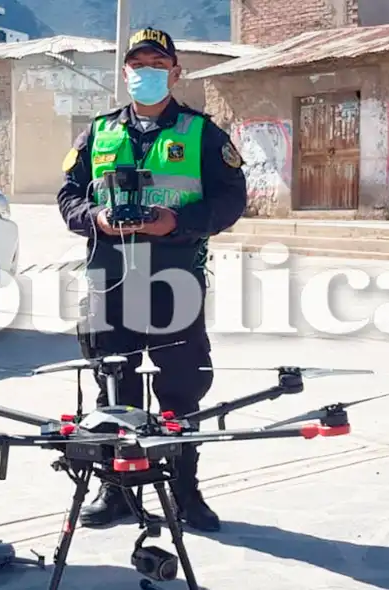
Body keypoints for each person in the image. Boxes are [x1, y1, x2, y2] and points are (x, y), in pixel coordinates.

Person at [56, 28, 247, 532]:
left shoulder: (202, 133)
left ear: (175, 72)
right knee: (113, 389)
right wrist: (94, 219)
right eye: (137, 65)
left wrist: (176, 222)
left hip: (173, 278)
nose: (146, 73)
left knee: (180, 390)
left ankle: (185, 493)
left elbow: (231, 201)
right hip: (110, 278)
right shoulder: (96, 132)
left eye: (157, 64)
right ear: (125, 73)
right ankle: (116, 491)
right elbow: (69, 197)